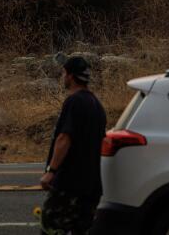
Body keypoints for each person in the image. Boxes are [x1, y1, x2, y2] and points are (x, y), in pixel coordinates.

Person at [39, 56, 107, 235]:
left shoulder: (74, 101)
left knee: (50, 227)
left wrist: (51, 171)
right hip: (91, 186)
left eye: (64, 73)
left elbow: (64, 138)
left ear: (70, 76)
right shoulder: (97, 105)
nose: (63, 77)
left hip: (70, 185)